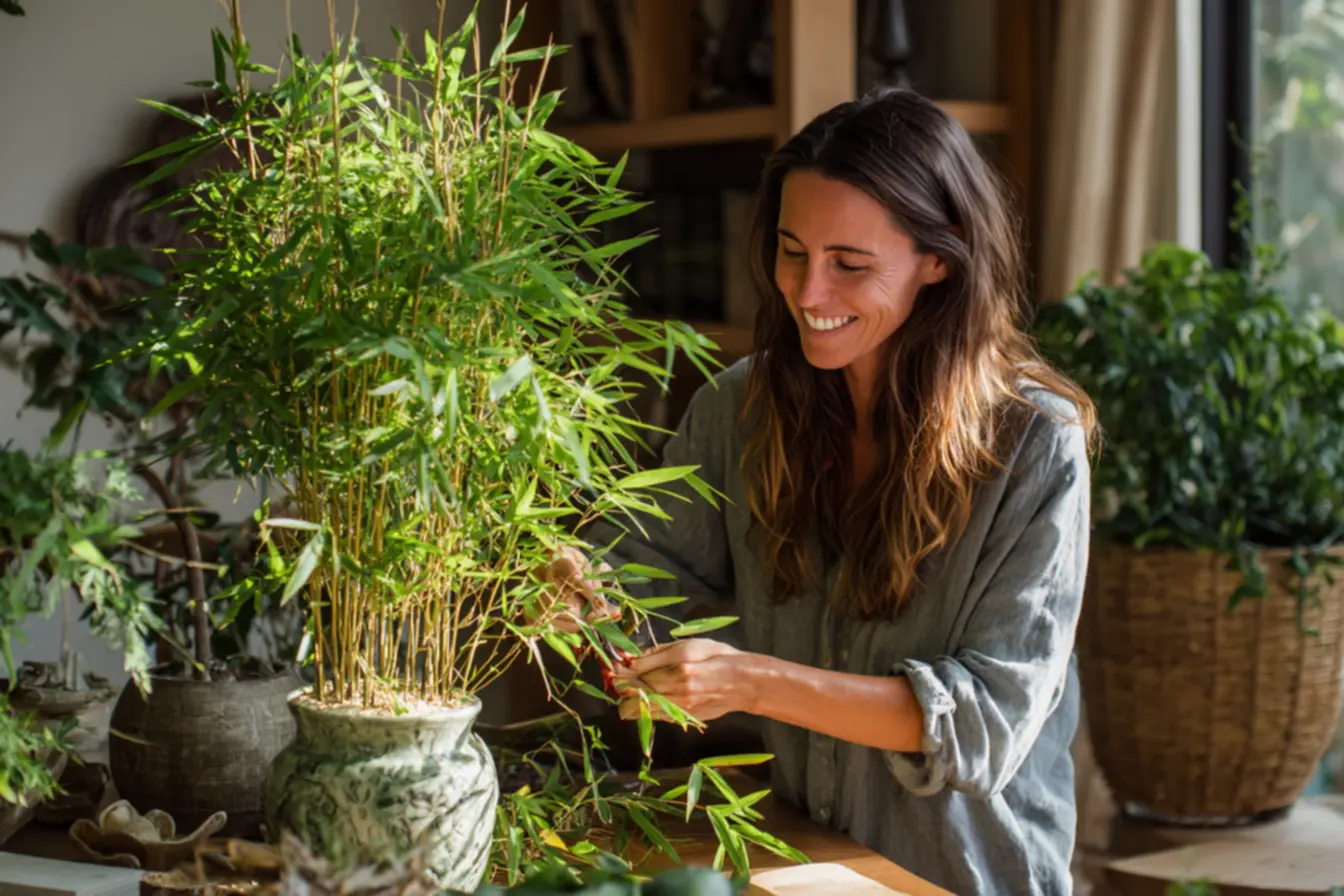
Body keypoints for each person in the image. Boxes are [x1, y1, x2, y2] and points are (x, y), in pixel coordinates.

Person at [539, 85, 1098, 896]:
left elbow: (985, 725)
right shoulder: (738, 408)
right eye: (793, 251)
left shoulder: (1035, 445)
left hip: (965, 878)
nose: (806, 295)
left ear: (938, 260)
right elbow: (646, 586)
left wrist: (752, 681)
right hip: (796, 856)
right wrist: (589, 600)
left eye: (850, 264)